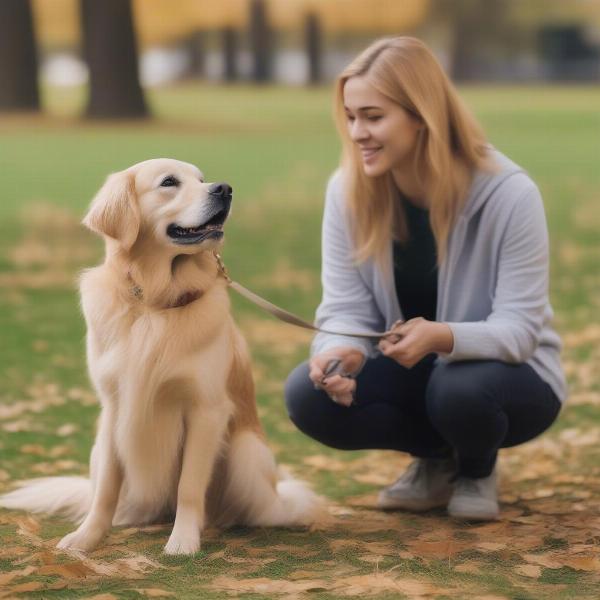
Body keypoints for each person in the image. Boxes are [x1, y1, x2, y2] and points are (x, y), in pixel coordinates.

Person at [284, 36, 566, 521]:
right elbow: (345, 308)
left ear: (422, 115)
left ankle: (477, 467)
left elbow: (521, 330)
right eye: (351, 117)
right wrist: (340, 351)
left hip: (512, 379)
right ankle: (436, 462)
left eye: (373, 117)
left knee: (458, 388)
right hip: (417, 373)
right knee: (307, 396)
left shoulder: (509, 193)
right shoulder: (347, 191)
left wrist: (443, 336)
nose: (357, 133)